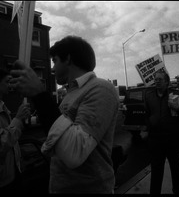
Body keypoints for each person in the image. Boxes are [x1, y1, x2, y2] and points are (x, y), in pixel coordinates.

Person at [10, 35, 119, 193]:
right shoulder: (69, 94)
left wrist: (40, 95)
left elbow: (74, 153)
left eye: (54, 60)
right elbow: (58, 138)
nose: (52, 68)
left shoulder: (101, 89)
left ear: (68, 58)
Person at [144, 70, 179, 194]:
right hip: (156, 139)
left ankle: (178, 191)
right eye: (155, 79)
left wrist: (178, 109)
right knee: (156, 169)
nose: (157, 81)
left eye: (160, 79)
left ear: (167, 82)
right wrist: (149, 125)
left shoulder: (175, 94)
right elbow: (146, 113)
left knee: (176, 168)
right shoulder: (149, 95)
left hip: (173, 138)